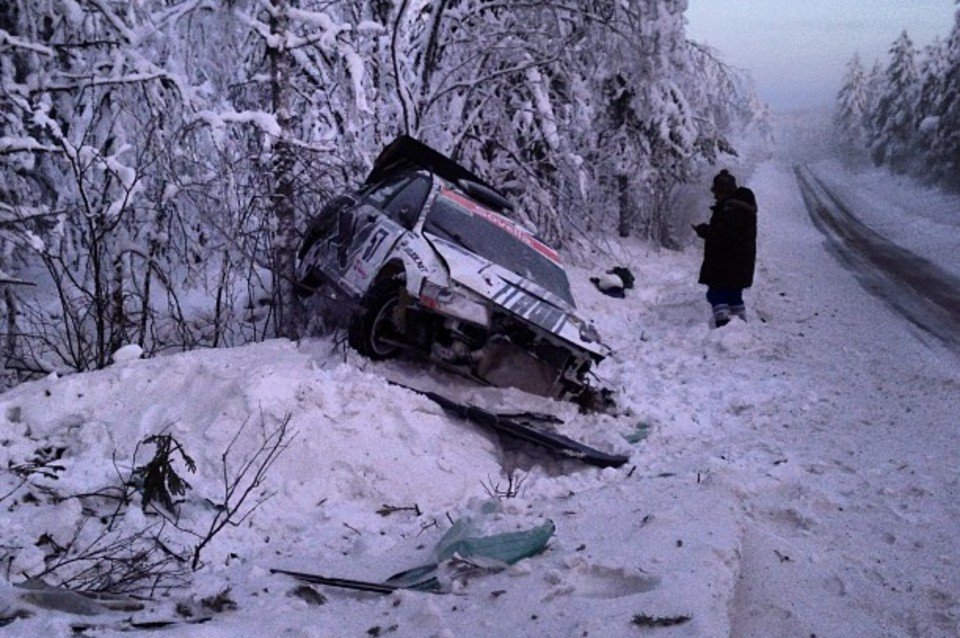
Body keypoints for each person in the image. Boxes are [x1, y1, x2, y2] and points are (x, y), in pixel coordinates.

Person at [692, 169, 757, 327]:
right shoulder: (742, 207)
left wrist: (704, 230)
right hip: (740, 262)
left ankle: (724, 328)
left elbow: (723, 235)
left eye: (717, 192)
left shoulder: (731, 209)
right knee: (734, 294)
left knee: (717, 294)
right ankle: (739, 328)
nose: (715, 196)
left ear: (724, 191)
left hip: (725, 262)